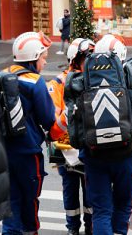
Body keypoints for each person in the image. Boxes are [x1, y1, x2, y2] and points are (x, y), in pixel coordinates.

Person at [83, 34, 132, 234]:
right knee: (123, 205)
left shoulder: (83, 77)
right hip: (126, 153)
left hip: (94, 155)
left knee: (101, 211)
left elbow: (70, 118)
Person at [2, 31, 56, 234]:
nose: (44, 62)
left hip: (4, 153)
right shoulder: (35, 81)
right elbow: (48, 119)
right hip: (27, 152)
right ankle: (30, 231)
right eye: (43, 58)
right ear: (33, 58)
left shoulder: (1, 75)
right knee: (30, 198)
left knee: (11, 199)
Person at [47, 38, 95, 235]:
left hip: (89, 146)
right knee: (70, 188)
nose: (89, 63)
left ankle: (91, 226)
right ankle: (72, 228)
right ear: (74, 60)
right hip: (65, 148)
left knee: (92, 190)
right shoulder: (58, 83)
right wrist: (70, 115)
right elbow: (53, 125)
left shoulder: (95, 79)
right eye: (85, 58)